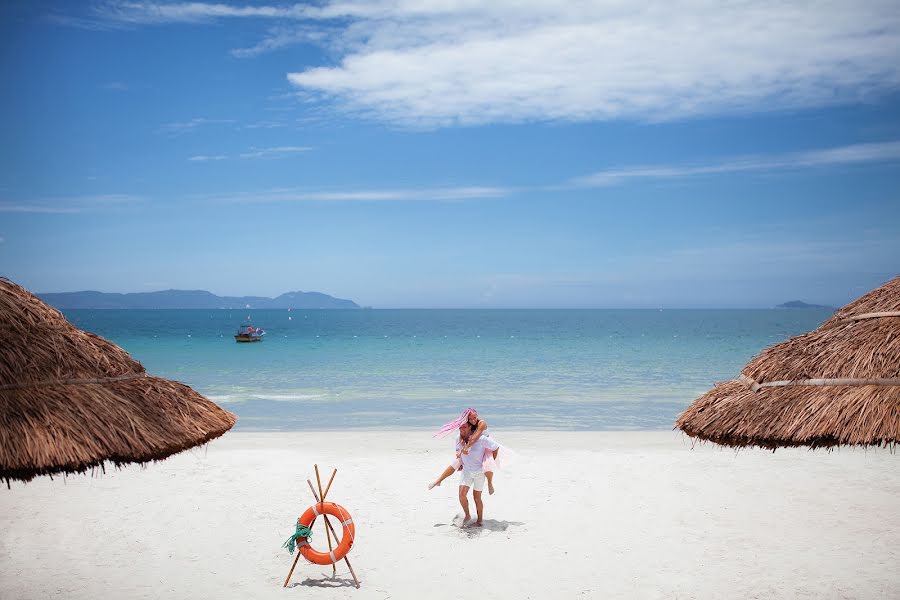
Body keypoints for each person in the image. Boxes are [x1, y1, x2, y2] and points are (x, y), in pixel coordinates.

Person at [429, 408, 502, 495]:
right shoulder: (469, 424)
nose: (473, 420)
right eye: (470, 419)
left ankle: (490, 483)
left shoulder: (482, 423)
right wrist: (460, 450)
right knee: (456, 462)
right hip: (475, 445)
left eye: (474, 418)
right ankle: (439, 480)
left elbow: (475, 438)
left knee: (487, 465)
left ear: (477, 415)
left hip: (486, 446)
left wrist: (465, 448)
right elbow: (462, 435)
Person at [452, 423, 498, 527]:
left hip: (479, 472)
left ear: (470, 427)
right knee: (461, 495)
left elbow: (495, 447)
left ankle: (480, 520)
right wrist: (460, 458)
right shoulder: (457, 439)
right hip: (467, 471)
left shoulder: (481, 439)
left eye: (464, 427)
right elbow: (457, 451)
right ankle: (467, 515)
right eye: (460, 427)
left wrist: (490, 462)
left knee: (477, 497)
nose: (462, 429)